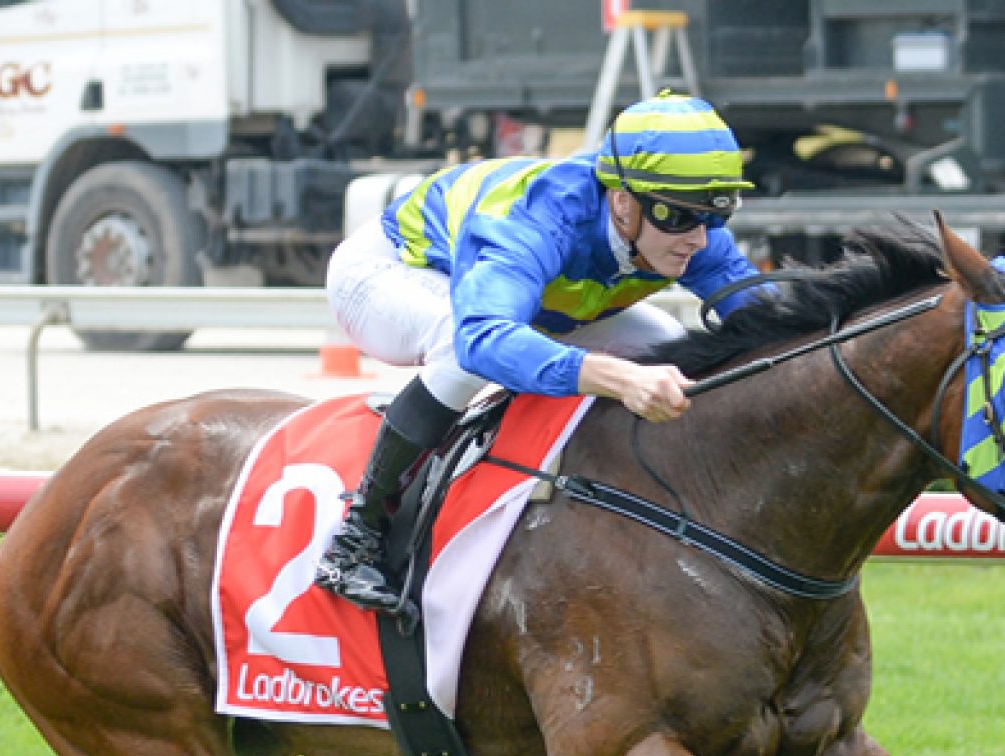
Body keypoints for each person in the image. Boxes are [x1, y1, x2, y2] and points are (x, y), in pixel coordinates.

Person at [315, 91, 763, 613]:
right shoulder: (539, 218)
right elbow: (483, 339)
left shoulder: (681, 224)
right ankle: (356, 537)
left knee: (670, 348)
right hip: (393, 273)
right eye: (682, 217)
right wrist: (615, 378)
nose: (700, 240)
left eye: (715, 216)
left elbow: (765, 318)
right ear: (622, 200)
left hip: (536, 300)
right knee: (459, 347)